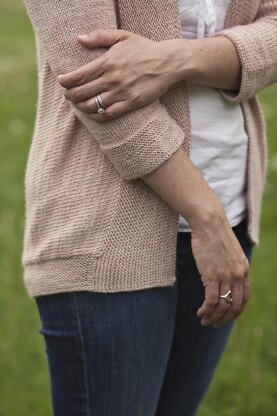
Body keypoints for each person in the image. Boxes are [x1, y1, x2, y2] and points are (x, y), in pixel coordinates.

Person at [22, 0, 276, 415]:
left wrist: (176, 59)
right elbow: (95, 81)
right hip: (107, 231)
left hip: (230, 212)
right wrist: (205, 215)